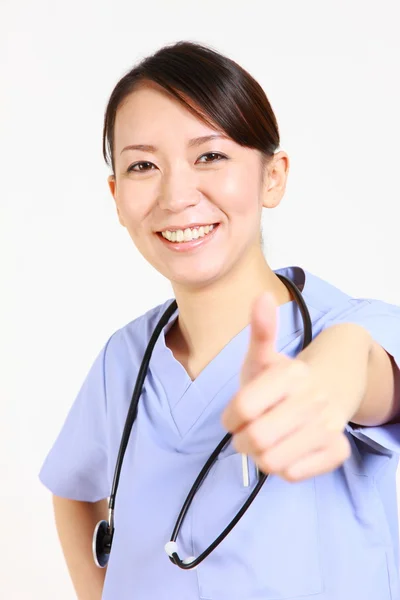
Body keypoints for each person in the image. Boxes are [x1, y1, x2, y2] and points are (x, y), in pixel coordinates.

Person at [39, 40, 400, 600]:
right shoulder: (124, 356)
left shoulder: (354, 326)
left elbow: (364, 371)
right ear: (116, 197)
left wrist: (337, 372)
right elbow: (71, 488)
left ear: (272, 176)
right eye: (142, 165)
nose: (177, 194)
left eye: (210, 156)